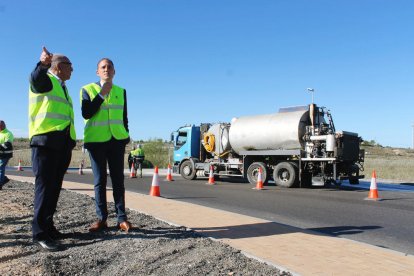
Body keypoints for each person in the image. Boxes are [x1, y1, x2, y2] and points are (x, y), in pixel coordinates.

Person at [29, 47, 76, 251]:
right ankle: (39, 233)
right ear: (57, 67)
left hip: (62, 144)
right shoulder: (46, 80)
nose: (72, 70)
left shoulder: (63, 87)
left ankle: (49, 227)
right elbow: (35, 79)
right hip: (45, 143)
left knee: (54, 188)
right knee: (44, 188)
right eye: (69, 66)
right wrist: (42, 64)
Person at [80, 58, 132, 233]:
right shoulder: (87, 89)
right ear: (97, 72)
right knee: (99, 180)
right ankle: (101, 219)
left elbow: (124, 117)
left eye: (110, 67)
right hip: (96, 141)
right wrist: (102, 94)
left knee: (118, 180)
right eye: (103, 67)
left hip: (117, 140)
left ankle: (122, 218)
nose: (106, 69)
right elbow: (86, 113)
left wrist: (126, 135)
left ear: (114, 72)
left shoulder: (121, 91)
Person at [0, 120, 14, 189]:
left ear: (2, 126)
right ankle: (4, 179)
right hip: (1, 154)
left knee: (0, 168)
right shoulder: (0, 133)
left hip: (5, 155)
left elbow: (7, 145)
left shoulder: (8, 133)